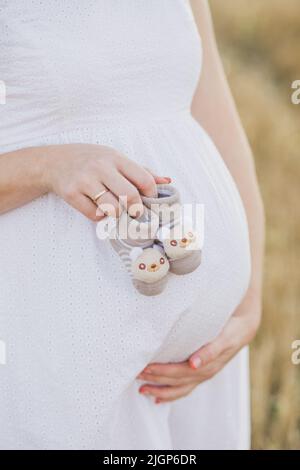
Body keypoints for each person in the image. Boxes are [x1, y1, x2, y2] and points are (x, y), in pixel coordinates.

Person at [0, 0, 264, 449]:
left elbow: (217, 120)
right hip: (54, 357)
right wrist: (46, 165)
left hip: (196, 376)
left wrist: (247, 302)